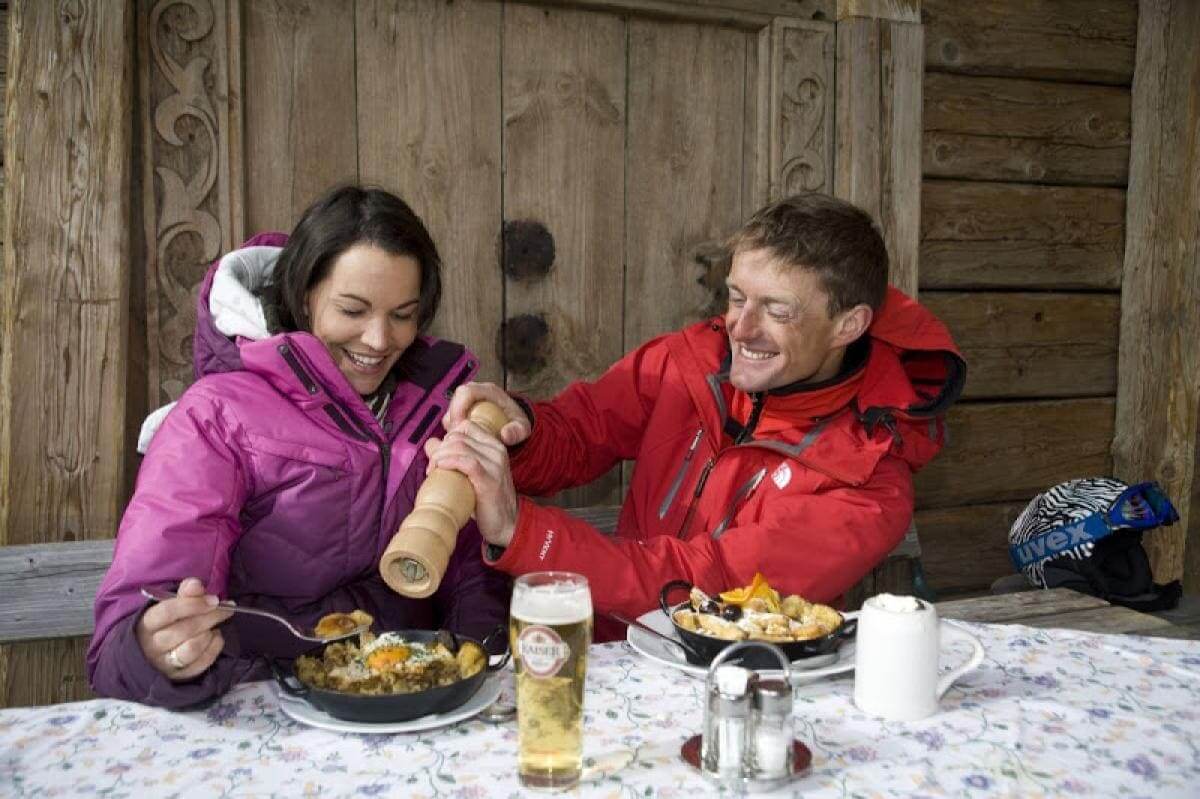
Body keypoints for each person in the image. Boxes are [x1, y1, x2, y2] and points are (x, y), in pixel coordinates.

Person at [429, 193, 965, 640]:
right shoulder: (689, 362)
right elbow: (579, 431)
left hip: (749, 685)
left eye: (777, 310)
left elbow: (709, 584)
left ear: (848, 325)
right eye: (736, 297)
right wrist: (517, 430)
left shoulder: (870, 483)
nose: (741, 328)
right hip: (617, 659)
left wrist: (522, 532)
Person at [88, 186, 511, 707]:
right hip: (258, 705)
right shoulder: (216, 417)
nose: (379, 340)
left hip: (404, 697)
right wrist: (153, 648)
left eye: (402, 314)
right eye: (352, 310)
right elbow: (125, 639)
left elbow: (467, 568)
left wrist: (474, 665)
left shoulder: (431, 408)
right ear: (305, 294)